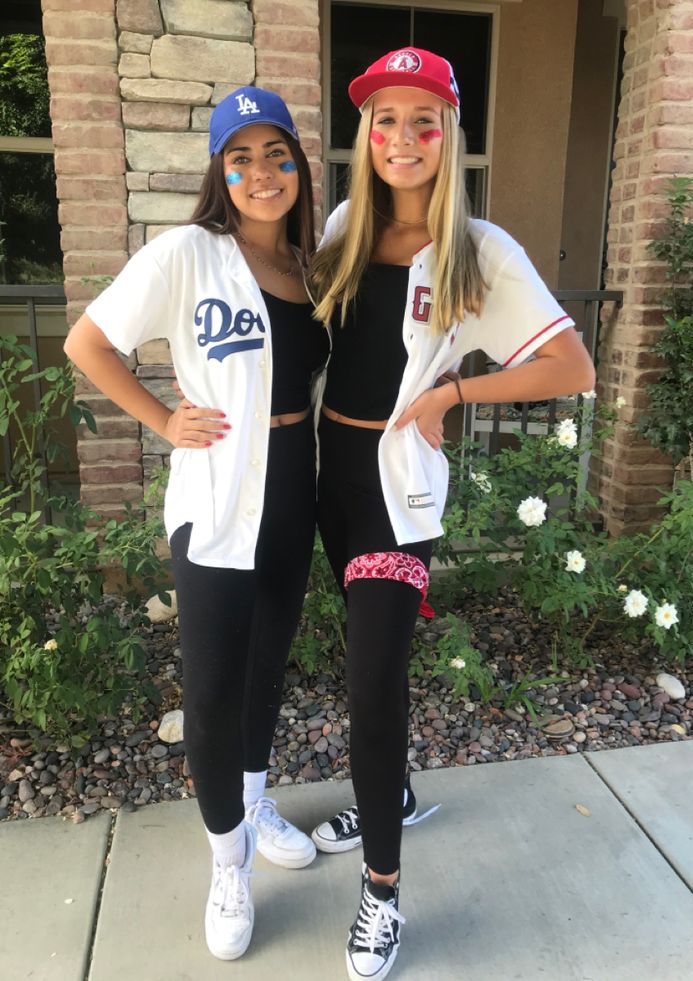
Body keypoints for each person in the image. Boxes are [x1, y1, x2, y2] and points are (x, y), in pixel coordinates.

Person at [308, 47, 596, 981]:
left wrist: (455, 395)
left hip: (399, 493)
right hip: (329, 483)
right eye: (385, 119)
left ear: (449, 135)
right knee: (362, 649)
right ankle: (390, 789)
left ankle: (382, 893)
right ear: (367, 134)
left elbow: (572, 368)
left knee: (372, 682)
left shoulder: (481, 252)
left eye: (422, 120)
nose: (402, 137)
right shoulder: (347, 225)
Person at [64, 86, 329, 962]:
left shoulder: (309, 264)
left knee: (266, 666)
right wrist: (162, 419)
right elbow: (88, 342)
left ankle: (251, 802)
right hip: (215, 494)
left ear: (298, 166)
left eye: (278, 154)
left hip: (295, 483)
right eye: (241, 156)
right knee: (212, 690)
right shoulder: (187, 252)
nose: (263, 171)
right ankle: (227, 862)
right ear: (221, 171)